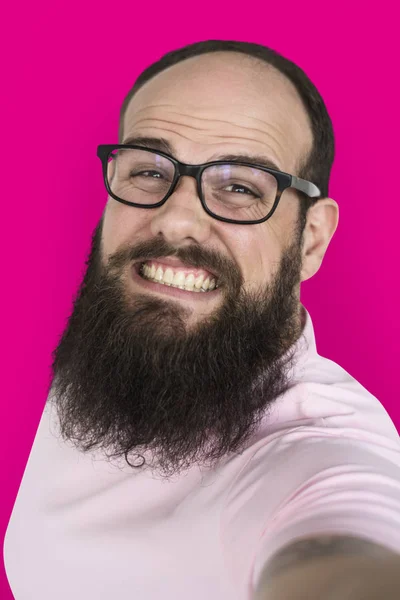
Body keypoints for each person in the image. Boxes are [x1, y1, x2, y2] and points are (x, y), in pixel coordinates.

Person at [4, 40, 400, 600]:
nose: (177, 218)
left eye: (240, 187)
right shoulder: (114, 332)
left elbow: (349, 548)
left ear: (311, 238)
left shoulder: (323, 456)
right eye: (148, 170)